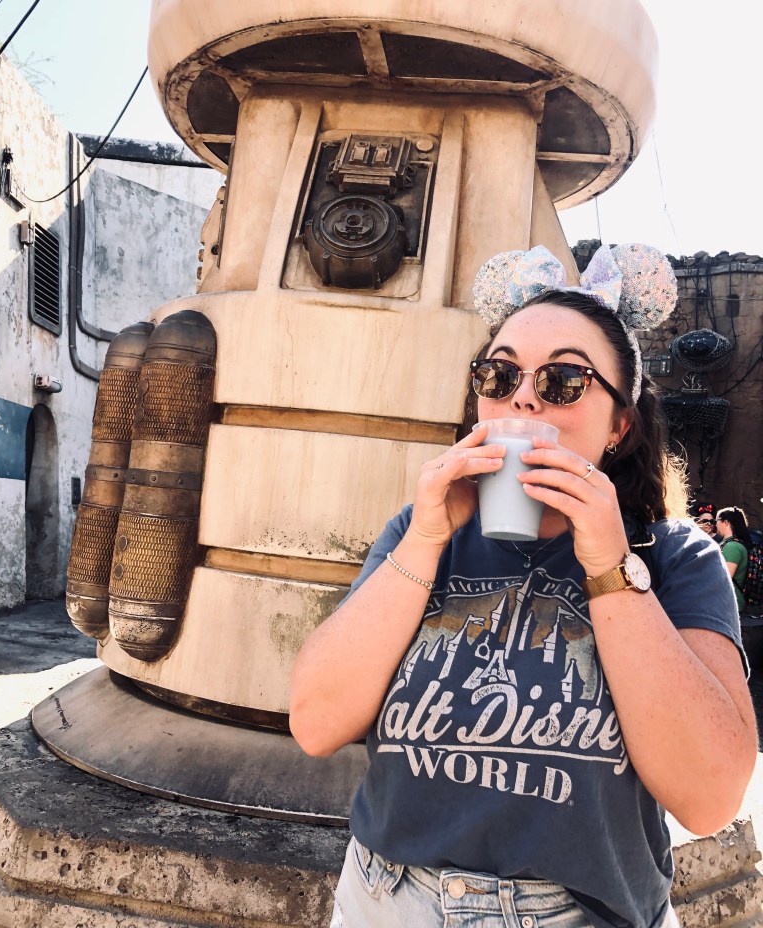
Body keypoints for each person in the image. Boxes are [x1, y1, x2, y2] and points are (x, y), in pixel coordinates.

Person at [290, 244, 757, 928]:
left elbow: (710, 797)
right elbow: (315, 722)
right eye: (499, 374)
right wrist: (423, 540)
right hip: (385, 900)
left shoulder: (673, 557)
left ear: (619, 426)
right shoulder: (422, 533)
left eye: (564, 379)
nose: (524, 395)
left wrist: (608, 565)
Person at [716, 506, 751, 613]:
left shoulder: (732, 547)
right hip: (727, 602)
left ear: (726, 522)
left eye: (716, 520)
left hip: (730, 604)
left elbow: (724, 578)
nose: (715, 524)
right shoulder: (729, 544)